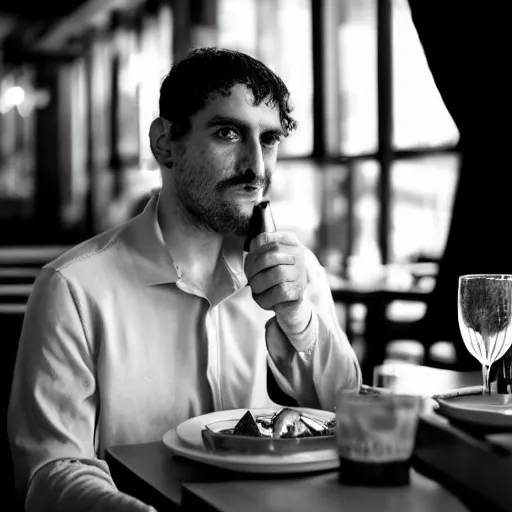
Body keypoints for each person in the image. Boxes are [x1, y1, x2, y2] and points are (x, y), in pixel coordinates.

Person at [8, 47, 361, 511]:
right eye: (228, 132)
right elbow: (49, 472)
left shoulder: (298, 272)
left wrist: (300, 320)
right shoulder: (72, 289)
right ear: (164, 143)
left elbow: (354, 423)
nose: (256, 165)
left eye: (270, 139)